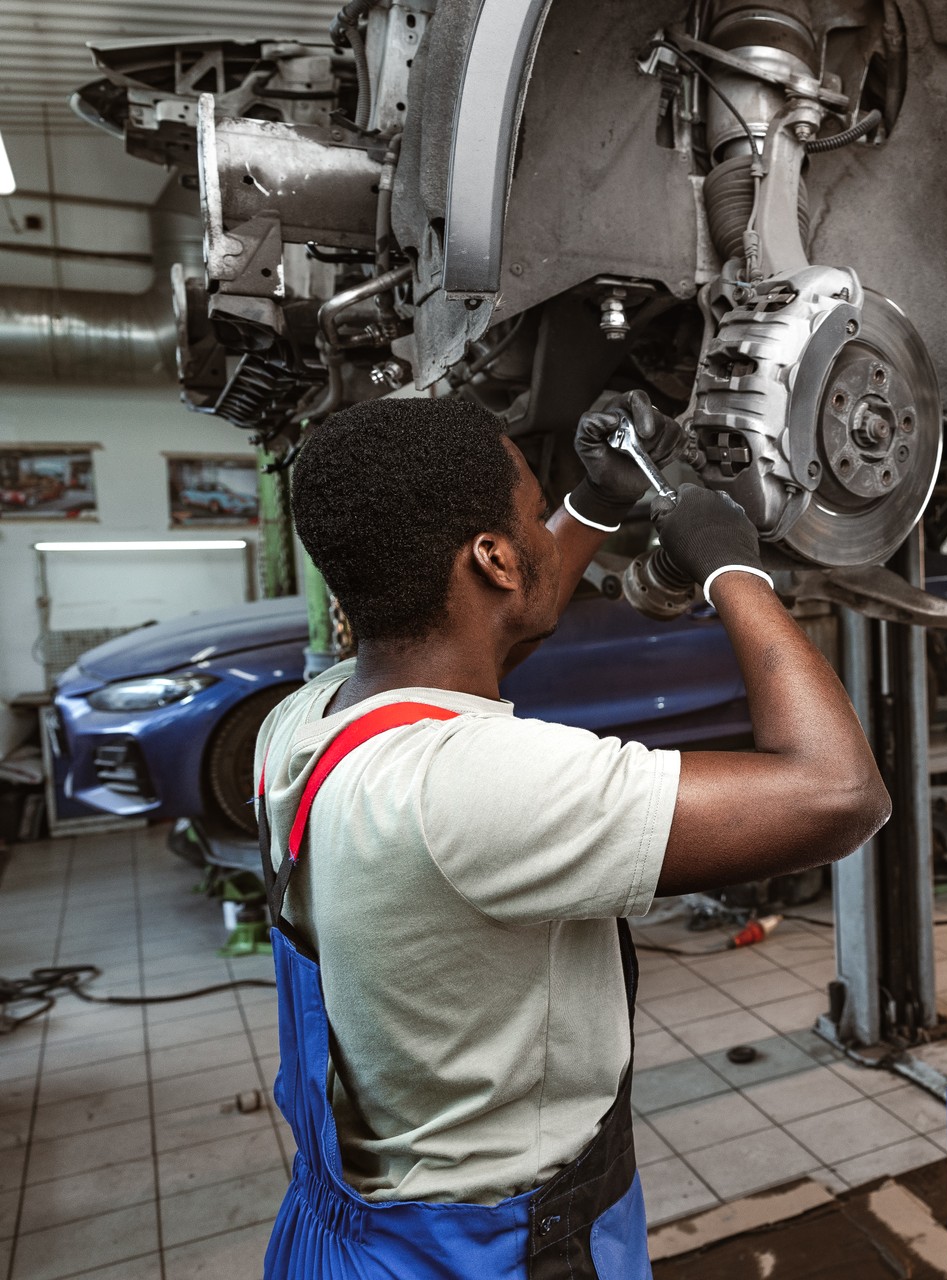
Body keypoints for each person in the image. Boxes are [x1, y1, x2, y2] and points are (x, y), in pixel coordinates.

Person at [253, 393, 889, 1277]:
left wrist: (595, 499)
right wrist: (732, 570)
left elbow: (469, 649)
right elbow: (840, 794)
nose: (545, 537)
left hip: (341, 1233)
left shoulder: (308, 721)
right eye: (531, 518)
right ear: (494, 559)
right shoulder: (476, 785)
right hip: (494, 1254)